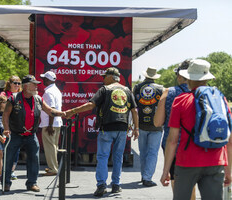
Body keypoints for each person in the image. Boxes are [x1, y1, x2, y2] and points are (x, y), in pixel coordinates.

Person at [160, 59, 232, 200]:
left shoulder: (180, 101)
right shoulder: (221, 99)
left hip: (187, 162)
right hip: (215, 161)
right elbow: (229, 141)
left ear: (189, 78)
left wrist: (166, 171)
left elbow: (172, 141)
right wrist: (228, 170)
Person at [65, 67, 139, 197]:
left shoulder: (104, 90)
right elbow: (134, 111)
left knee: (102, 157)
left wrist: (73, 111)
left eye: (105, 76)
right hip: (122, 128)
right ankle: (116, 185)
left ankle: (101, 186)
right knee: (118, 157)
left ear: (111, 77)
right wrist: (136, 128)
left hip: (107, 128)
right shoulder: (127, 90)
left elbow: (91, 105)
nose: (103, 79)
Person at [2, 75, 65, 192]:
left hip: (31, 135)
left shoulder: (38, 99)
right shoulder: (13, 98)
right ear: (26, 86)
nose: (37, 86)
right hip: (15, 134)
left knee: (34, 159)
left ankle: (32, 183)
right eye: (34, 84)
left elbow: (50, 111)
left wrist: (63, 113)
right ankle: (6, 183)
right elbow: (5, 115)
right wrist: (6, 129)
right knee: (9, 158)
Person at [154, 60, 196, 199]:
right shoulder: (202, 93)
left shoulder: (168, 93)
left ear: (179, 76)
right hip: (196, 145)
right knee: (192, 184)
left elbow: (157, 122)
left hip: (174, 146)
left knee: (177, 184)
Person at [133, 66, 164, 187]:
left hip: (140, 124)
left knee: (143, 152)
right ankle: (147, 177)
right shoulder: (161, 89)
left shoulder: (137, 87)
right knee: (152, 152)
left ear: (145, 75)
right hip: (156, 125)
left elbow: (133, 106)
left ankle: (144, 174)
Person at [39, 71, 62, 176]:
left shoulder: (48, 92)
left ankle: (53, 168)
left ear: (48, 80)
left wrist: (50, 125)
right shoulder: (56, 90)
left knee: (50, 146)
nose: (43, 80)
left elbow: (52, 109)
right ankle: (54, 167)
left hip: (50, 123)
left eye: (44, 78)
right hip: (56, 122)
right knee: (54, 146)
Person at [0, 75, 21, 180]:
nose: (17, 85)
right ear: (10, 84)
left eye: (19, 83)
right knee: (6, 149)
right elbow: (2, 109)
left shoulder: (21, 95)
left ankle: (12, 171)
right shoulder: (4, 94)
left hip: (18, 126)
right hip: (7, 126)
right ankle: (3, 170)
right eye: (15, 83)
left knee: (16, 150)